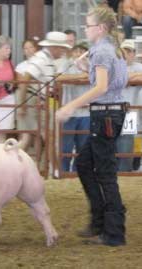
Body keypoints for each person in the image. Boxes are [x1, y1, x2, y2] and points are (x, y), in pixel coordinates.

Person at [56, 5, 128, 246]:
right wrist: (86, 69)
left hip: (105, 115)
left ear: (100, 28)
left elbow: (101, 88)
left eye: (87, 25)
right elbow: (114, 82)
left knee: (106, 174)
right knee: (85, 165)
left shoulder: (102, 52)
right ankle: (99, 221)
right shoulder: (110, 49)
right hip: (110, 114)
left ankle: (114, 232)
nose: (84, 29)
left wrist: (69, 107)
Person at [19, 31, 71, 175]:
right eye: (61, 48)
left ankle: (51, 169)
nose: (63, 51)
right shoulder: (41, 59)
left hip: (37, 99)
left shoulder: (47, 59)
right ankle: (54, 170)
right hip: (33, 99)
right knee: (43, 136)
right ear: (54, 47)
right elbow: (25, 78)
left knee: (38, 137)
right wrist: (22, 104)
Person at [59, 43, 90, 172]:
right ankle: (64, 172)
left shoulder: (91, 65)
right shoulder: (67, 64)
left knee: (82, 147)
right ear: (72, 53)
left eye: (82, 51)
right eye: (76, 51)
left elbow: (95, 78)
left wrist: (84, 73)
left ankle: (78, 172)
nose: (78, 54)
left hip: (86, 112)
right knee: (66, 147)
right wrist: (79, 76)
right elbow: (59, 77)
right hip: (69, 112)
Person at [117, 39, 142, 171]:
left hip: (131, 112)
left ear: (134, 53)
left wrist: (126, 77)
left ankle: (124, 174)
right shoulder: (114, 66)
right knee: (113, 145)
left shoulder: (139, 67)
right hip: (114, 110)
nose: (126, 54)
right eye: (124, 51)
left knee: (126, 147)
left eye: (129, 51)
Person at [15, 39, 39, 150]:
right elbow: (22, 83)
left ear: (36, 48)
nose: (28, 50)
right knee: (24, 131)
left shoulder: (41, 64)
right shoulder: (20, 66)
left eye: (31, 47)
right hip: (25, 98)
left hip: (40, 99)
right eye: (25, 48)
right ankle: (22, 158)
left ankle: (39, 161)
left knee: (38, 131)